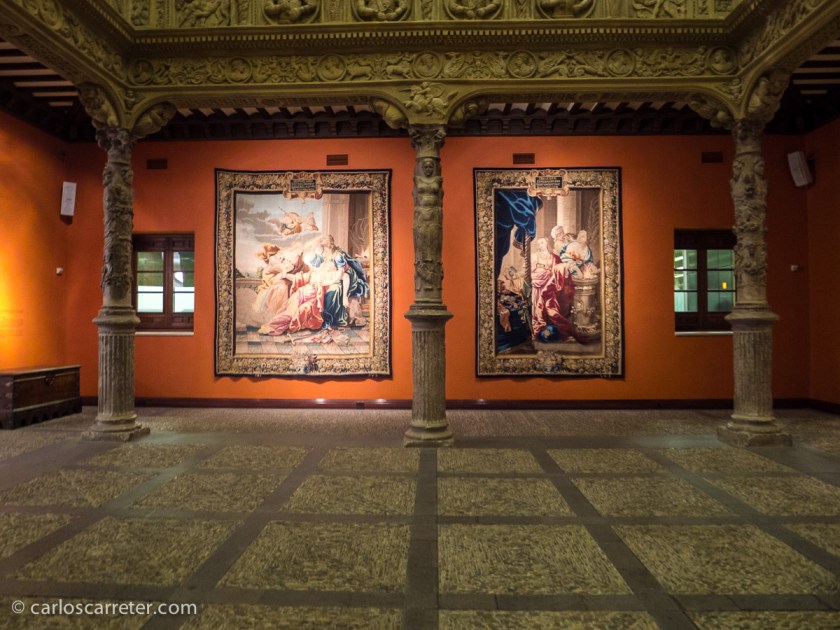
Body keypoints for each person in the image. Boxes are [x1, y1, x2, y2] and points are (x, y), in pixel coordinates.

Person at [530, 237, 586, 343]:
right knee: (538, 308)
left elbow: (559, 271)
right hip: (538, 285)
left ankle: (554, 331)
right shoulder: (534, 256)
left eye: (542, 242)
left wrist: (551, 272)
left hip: (551, 287)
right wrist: (544, 271)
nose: (539, 245)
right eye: (538, 243)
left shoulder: (555, 257)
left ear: (547, 243)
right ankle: (540, 331)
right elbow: (531, 270)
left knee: (551, 308)